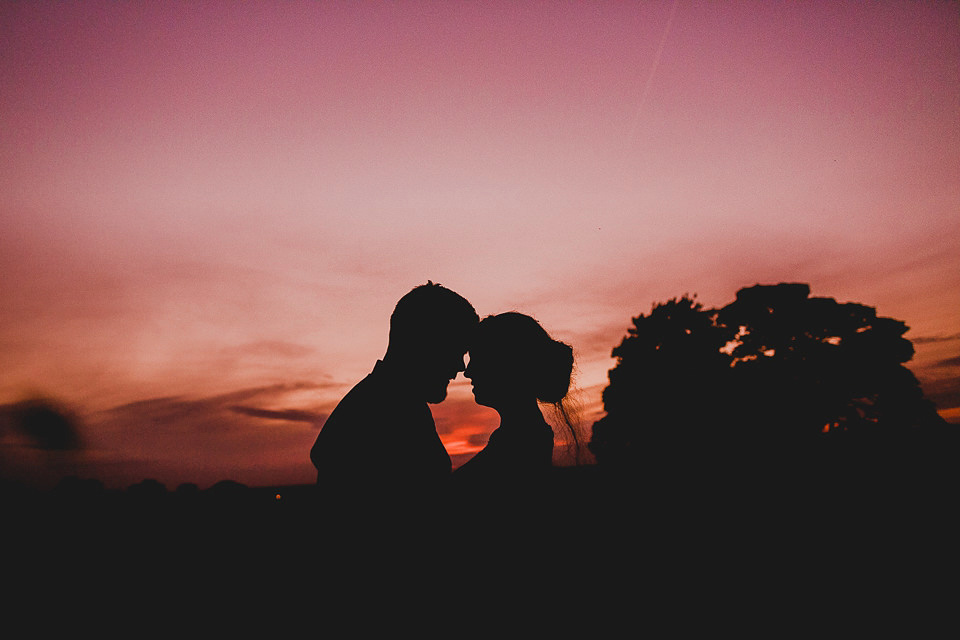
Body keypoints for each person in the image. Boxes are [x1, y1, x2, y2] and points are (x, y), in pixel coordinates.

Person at [310, 282, 478, 508]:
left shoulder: (389, 403)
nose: (460, 366)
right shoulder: (383, 411)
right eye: (455, 350)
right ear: (424, 343)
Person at [453, 312, 578, 496]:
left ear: (505, 364)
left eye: (477, 358)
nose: (468, 371)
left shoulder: (519, 444)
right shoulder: (525, 436)